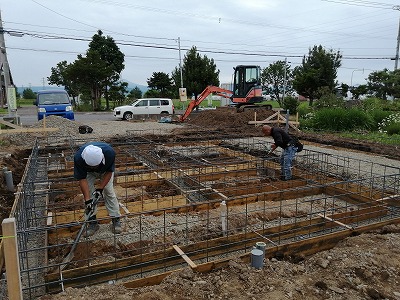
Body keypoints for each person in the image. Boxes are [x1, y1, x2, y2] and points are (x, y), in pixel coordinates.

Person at [74, 142, 122, 237]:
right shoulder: (78, 158)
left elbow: (109, 172)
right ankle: (92, 223)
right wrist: (88, 200)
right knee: (90, 195)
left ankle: (116, 219)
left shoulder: (109, 153)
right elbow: (82, 179)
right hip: (87, 172)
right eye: (91, 166)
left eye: (95, 166)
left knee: (109, 191)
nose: (94, 168)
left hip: (105, 171)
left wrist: (100, 188)